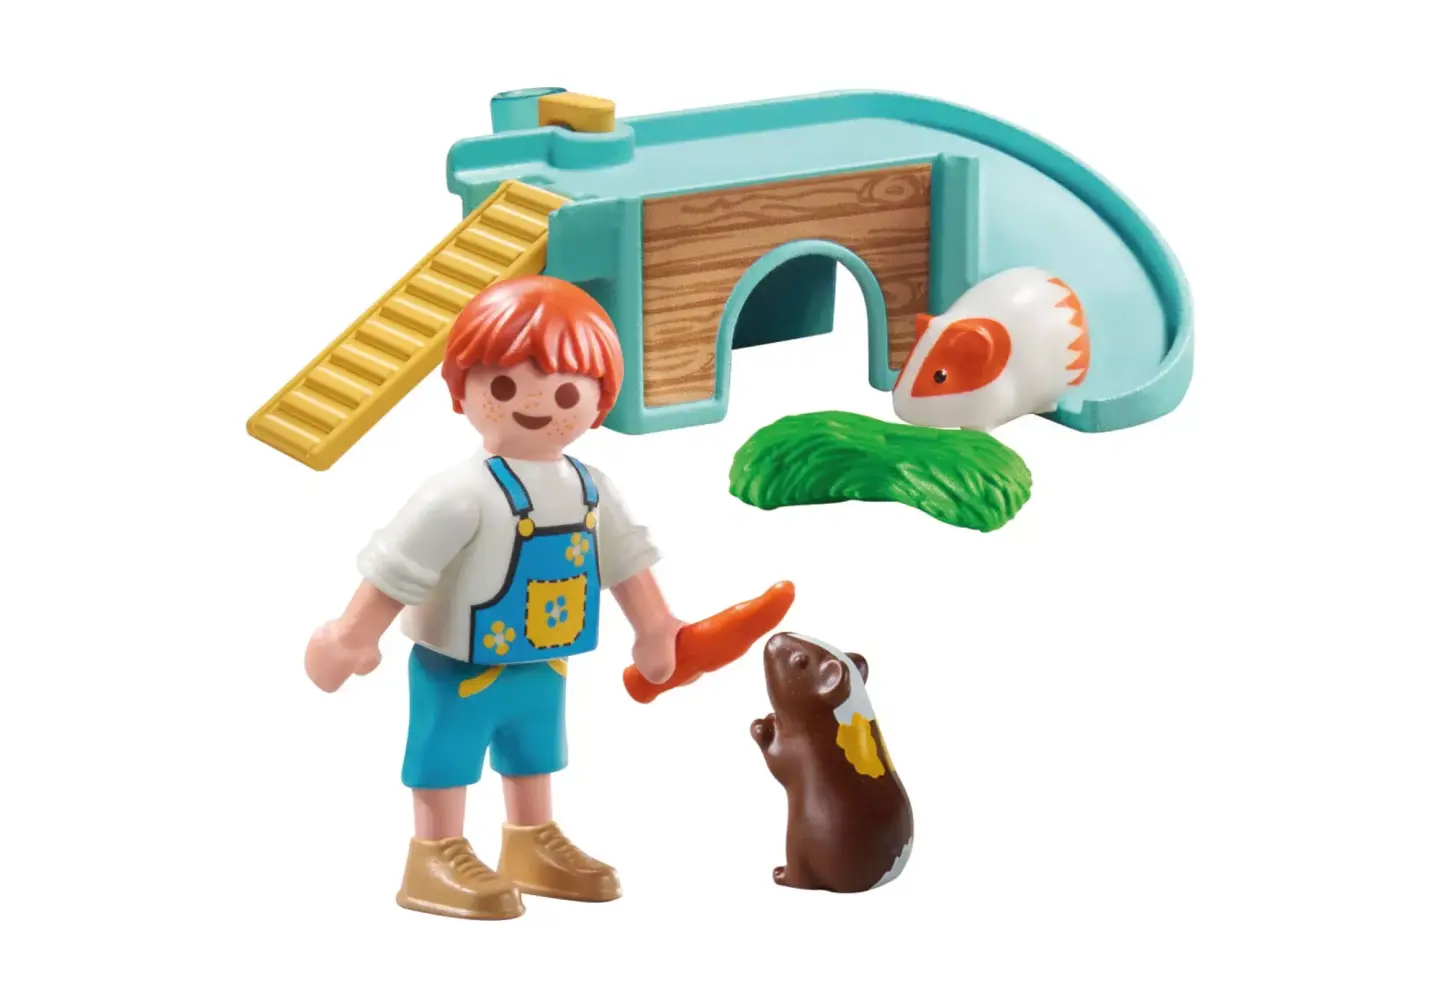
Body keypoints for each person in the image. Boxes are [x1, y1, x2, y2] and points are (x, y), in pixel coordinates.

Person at [304, 275, 683, 920]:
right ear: (463, 391)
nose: (536, 405)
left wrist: (655, 626)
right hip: (459, 668)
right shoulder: (459, 493)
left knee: (535, 752)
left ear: (600, 401)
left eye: (566, 392)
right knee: (445, 755)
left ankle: (531, 841)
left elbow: (626, 561)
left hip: (544, 660)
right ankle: (435, 852)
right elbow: (399, 569)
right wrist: (352, 634)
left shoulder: (592, 489)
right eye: (503, 387)